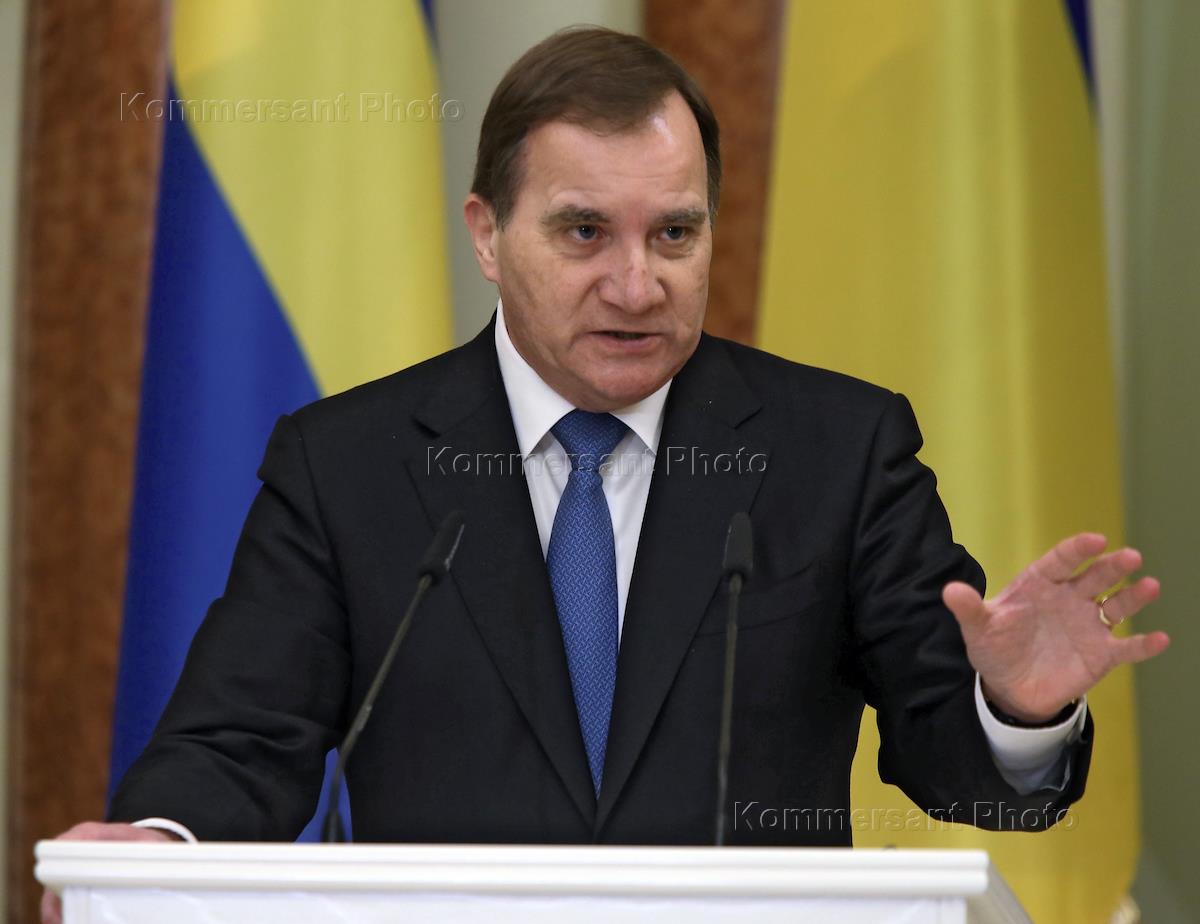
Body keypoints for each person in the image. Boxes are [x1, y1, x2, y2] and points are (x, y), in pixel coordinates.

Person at [43, 26, 1168, 922]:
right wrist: (154, 850)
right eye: (584, 232)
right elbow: (240, 739)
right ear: (488, 235)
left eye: (674, 234)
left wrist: (1017, 708)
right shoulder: (349, 465)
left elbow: (959, 770)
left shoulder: (837, 451)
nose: (637, 285)